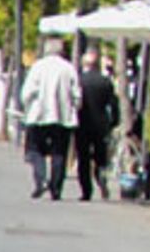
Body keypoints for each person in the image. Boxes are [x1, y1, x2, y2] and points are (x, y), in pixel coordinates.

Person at [19, 36, 79, 200]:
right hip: (62, 117)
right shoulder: (68, 68)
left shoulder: (38, 67)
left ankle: (41, 179)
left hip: (38, 116)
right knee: (59, 153)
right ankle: (56, 188)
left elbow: (26, 93)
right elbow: (77, 95)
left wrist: (27, 106)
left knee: (34, 150)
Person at [75, 48, 120, 202]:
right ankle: (101, 176)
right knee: (100, 156)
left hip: (82, 124)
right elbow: (114, 104)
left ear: (84, 64)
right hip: (101, 125)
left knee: (83, 158)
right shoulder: (105, 81)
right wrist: (114, 121)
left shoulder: (79, 80)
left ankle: (86, 191)